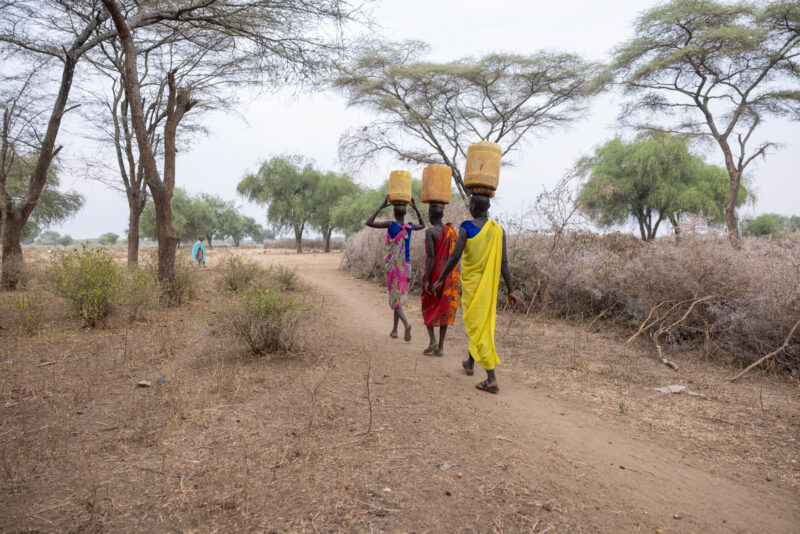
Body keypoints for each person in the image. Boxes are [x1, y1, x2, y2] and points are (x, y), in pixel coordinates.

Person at [433, 193, 518, 393]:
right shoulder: (498, 230)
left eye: (469, 203)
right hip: (488, 287)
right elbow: (504, 263)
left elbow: (455, 256)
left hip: (473, 286)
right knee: (481, 324)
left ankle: (491, 378)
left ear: (473, 206)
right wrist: (511, 290)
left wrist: (440, 278)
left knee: (478, 327)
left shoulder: (466, 227)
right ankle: (470, 363)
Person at [366, 195, 425, 341]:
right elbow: (423, 225)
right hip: (407, 265)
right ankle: (394, 330)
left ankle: (406, 324)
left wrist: (381, 205)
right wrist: (416, 208)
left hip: (394, 266)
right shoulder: (410, 226)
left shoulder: (390, 225)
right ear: (405, 213)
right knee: (398, 295)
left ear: (393, 213)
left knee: (395, 296)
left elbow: (369, 222)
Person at [421, 204, 459, 356]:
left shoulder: (430, 231)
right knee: (444, 307)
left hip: (435, 274)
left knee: (427, 303)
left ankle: (432, 340)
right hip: (447, 275)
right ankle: (440, 347)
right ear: (442, 215)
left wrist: (427, 279)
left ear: (430, 215)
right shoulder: (450, 231)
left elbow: (431, 257)